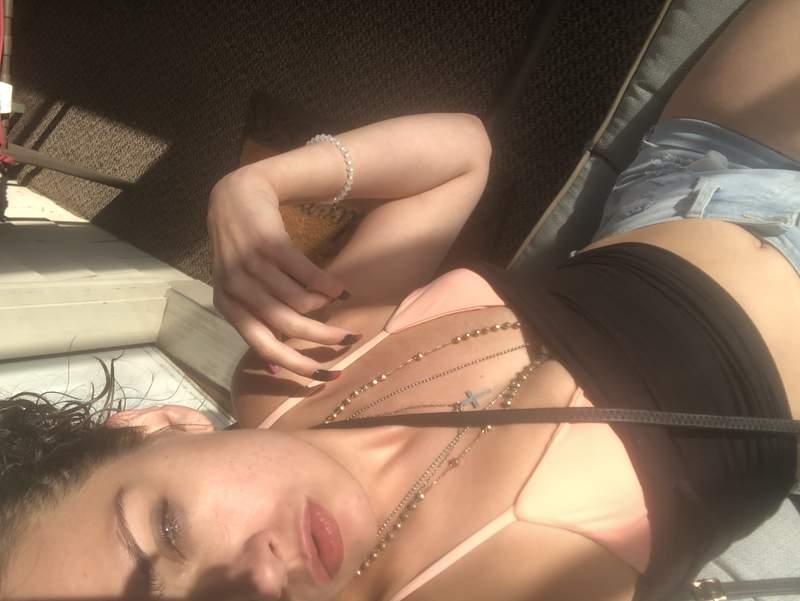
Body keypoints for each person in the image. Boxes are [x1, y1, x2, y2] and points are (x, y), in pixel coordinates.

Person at [2, 1, 799, 599]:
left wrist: (257, 184)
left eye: (168, 528)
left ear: (156, 426)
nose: (257, 577)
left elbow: (461, 157)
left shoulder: (286, 378)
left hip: (702, 169)